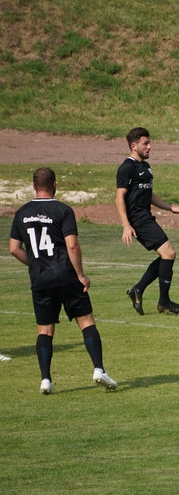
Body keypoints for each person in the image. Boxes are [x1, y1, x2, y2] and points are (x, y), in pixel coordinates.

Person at [9, 167, 118, 394]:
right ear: (55, 185)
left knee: (44, 331)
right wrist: (81, 275)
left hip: (41, 280)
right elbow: (72, 245)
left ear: (33, 186)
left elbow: (14, 248)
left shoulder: (21, 213)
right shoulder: (63, 210)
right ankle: (99, 369)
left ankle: (45, 380)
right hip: (66, 276)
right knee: (86, 322)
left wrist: (36, 264)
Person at [115, 126, 179, 315]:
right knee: (169, 253)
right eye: (145, 143)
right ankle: (163, 302)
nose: (149, 147)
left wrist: (170, 208)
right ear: (134, 146)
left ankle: (138, 290)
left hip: (145, 217)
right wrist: (126, 225)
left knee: (167, 255)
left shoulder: (145, 167)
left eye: (149, 143)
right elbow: (119, 197)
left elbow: (149, 194)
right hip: (137, 220)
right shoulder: (127, 167)